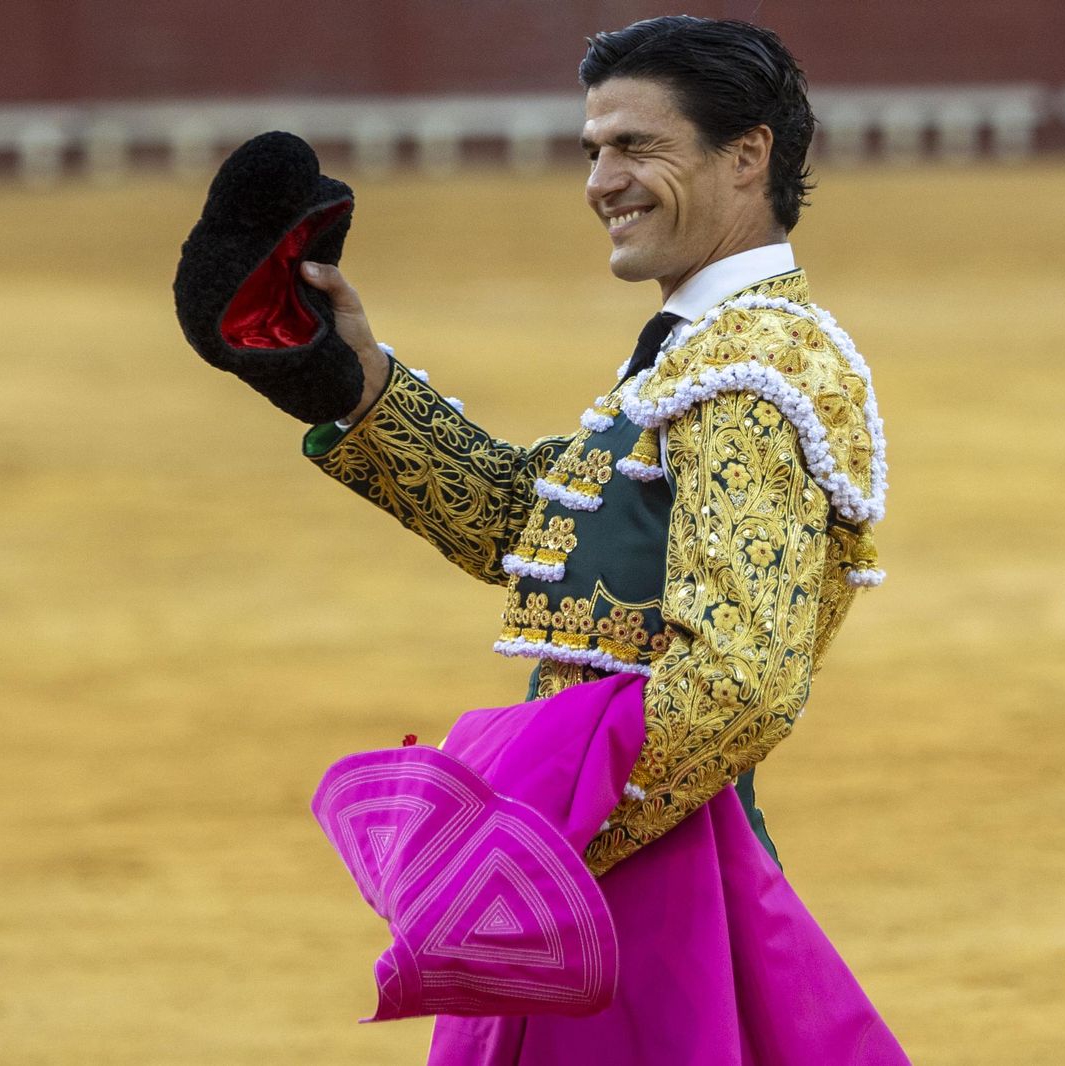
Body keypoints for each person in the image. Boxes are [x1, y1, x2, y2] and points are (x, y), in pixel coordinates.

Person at [293, 15, 899, 1062]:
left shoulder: (750, 371)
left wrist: (542, 852)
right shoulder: (703, 351)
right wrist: (354, 383)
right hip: (622, 862)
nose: (601, 181)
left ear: (746, 154)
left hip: (649, 880)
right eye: (593, 150)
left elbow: (742, 682)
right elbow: (532, 527)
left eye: (635, 147)